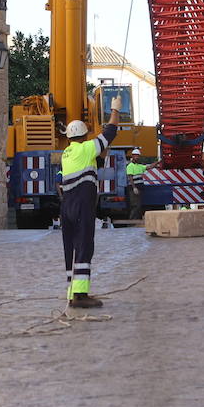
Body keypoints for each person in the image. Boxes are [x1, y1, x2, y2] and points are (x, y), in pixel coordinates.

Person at [58, 97, 122, 309]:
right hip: (81, 205)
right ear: (85, 136)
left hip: (67, 205)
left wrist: (101, 154)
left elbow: (93, 161)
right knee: (84, 246)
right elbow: (110, 132)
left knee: (71, 248)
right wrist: (115, 109)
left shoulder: (67, 153)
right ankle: (81, 296)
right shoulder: (86, 149)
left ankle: (72, 292)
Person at [124, 147, 158, 220]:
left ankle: (135, 220)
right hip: (134, 188)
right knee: (135, 205)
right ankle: (132, 221)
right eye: (135, 155)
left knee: (138, 205)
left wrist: (158, 162)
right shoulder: (130, 166)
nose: (137, 157)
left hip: (139, 188)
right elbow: (130, 178)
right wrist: (134, 188)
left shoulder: (139, 166)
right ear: (132, 156)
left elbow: (149, 167)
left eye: (138, 155)